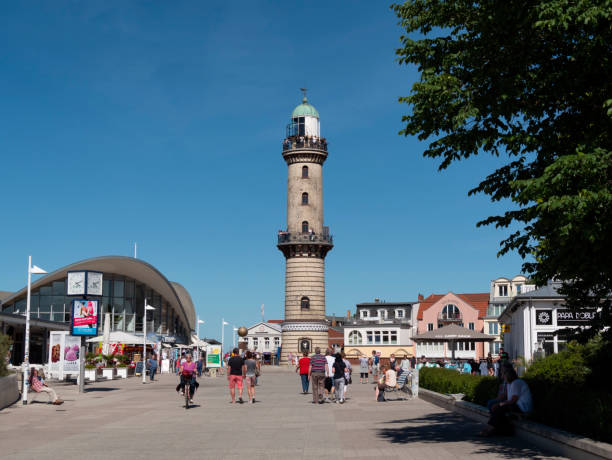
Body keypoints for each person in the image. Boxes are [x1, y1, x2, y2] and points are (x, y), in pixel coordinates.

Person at [480, 367, 533, 436]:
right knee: (498, 409)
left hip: (523, 407)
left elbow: (513, 400)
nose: (502, 376)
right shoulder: (509, 384)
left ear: (508, 375)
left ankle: (490, 429)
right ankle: (499, 429)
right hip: (516, 405)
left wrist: (499, 404)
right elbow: (507, 398)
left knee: (499, 408)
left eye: (503, 375)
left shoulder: (517, 383)